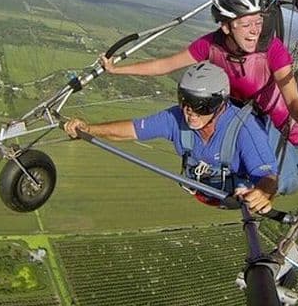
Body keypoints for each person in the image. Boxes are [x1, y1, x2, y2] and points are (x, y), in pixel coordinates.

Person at [100, 0, 298, 146]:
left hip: (277, 112)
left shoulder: (271, 48)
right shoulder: (210, 45)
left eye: (258, 22)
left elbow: (290, 93)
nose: (255, 30)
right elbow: (165, 65)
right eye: (246, 24)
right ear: (226, 27)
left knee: (297, 138)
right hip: (239, 109)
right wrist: (117, 69)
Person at [64, 62, 278, 214]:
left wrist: (262, 193)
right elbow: (132, 129)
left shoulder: (244, 129)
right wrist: (89, 129)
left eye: (201, 105)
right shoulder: (176, 117)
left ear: (220, 104)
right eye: (185, 101)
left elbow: (268, 176)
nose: (190, 112)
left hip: (236, 194)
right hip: (204, 192)